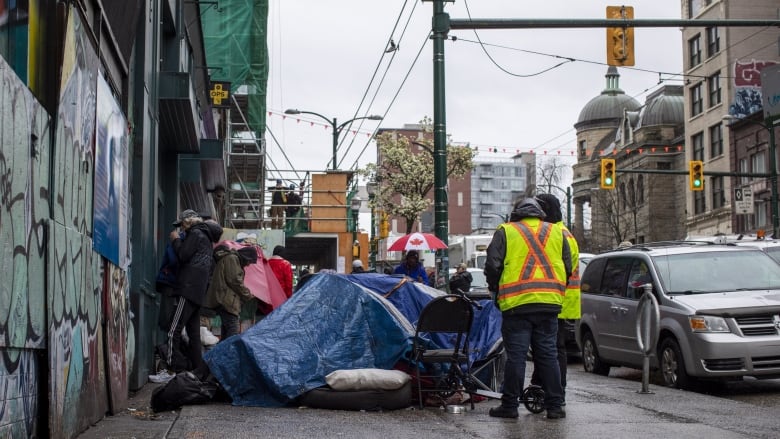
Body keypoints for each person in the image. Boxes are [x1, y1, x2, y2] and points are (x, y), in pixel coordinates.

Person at [484, 197, 571, 420]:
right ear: (539, 214)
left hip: (517, 305)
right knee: (548, 356)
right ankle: (555, 406)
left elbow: (493, 265)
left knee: (516, 357)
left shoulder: (506, 231)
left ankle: (510, 406)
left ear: (516, 213)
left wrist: (496, 289)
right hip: (549, 304)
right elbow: (568, 266)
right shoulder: (556, 232)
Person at [157, 210, 223, 377]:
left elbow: (183, 255)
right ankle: (197, 371)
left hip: (187, 288)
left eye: (181, 225)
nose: (181, 229)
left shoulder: (195, 233)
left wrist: (176, 240)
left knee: (173, 329)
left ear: (187, 222)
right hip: (198, 291)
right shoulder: (207, 239)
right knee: (193, 334)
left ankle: (172, 366)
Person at [529, 193, 580, 404]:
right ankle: (545, 387)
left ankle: (556, 391)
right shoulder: (562, 232)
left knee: (553, 348)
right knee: (550, 347)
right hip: (563, 298)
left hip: (558, 299)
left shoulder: (555, 233)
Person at [204, 245, 257, 340]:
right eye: (249, 261)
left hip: (224, 300)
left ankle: (222, 353)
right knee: (233, 329)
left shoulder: (232, 259)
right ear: (246, 257)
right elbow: (235, 281)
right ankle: (227, 353)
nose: (248, 264)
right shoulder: (232, 259)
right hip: (226, 301)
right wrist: (247, 294)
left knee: (227, 331)